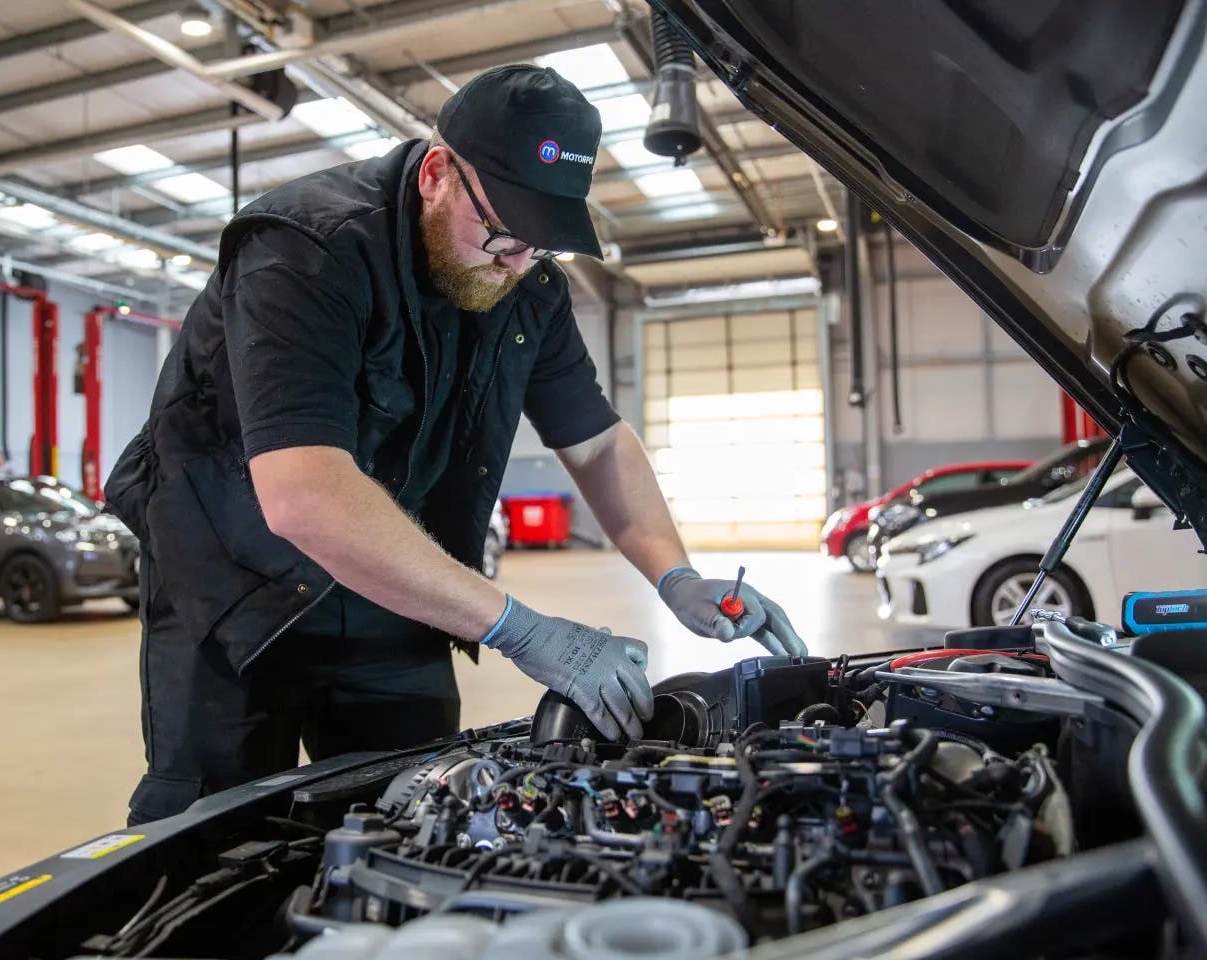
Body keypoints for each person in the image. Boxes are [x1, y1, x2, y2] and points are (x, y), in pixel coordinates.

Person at [105, 64, 805, 825]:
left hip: (393, 585)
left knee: (419, 814)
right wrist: (522, 628)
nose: (516, 264)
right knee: (216, 831)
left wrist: (676, 577)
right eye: (502, 233)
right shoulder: (306, 247)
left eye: (539, 247)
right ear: (438, 172)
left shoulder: (526, 285)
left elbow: (598, 443)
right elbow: (305, 494)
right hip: (237, 592)